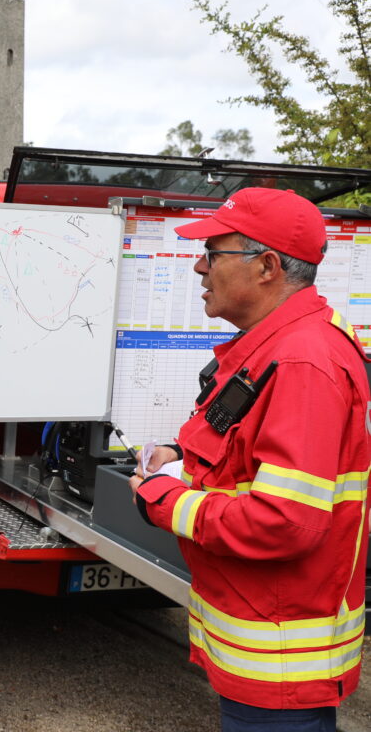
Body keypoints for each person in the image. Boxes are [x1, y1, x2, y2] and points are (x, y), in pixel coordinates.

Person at [128, 188, 370, 732]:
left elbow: (284, 521)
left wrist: (166, 501)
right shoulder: (276, 345)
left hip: (280, 668)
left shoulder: (304, 361)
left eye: (213, 254)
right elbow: (240, 452)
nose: (198, 267)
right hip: (265, 652)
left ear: (266, 267)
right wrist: (179, 455)